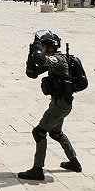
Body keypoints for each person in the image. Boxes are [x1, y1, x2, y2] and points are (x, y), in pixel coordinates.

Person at [18, 31, 81, 181]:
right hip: (62, 104)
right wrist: (30, 54)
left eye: (44, 46)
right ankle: (74, 162)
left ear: (50, 47)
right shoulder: (54, 60)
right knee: (56, 133)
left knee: (39, 132)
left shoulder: (57, 60)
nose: (43, 49)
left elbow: (39, 59)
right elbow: (32, 73)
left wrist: (36, 47)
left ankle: (37, 169)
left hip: (59, 105)